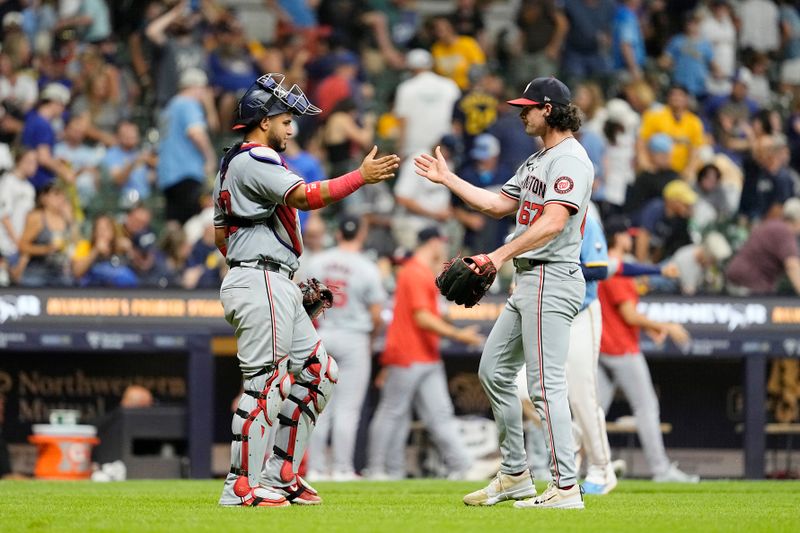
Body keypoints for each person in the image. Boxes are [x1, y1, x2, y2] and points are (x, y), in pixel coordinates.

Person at [215, 73, 399, 508]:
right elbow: (305, 197)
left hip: (268, 277)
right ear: (263, 121)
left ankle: (282, 475)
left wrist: (280, 276)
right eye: (284, 119)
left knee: (318, 374)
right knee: (266, 383)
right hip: (260, 279)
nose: (291, 127)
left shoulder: (237, 163)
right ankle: (240, 486)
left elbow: (222, 234)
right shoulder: (254, 157)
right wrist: (360, 176)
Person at [415, 76, 593, 509]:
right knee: (493, 371)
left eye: (528, 107)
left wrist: (498, 255)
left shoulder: (569, 159)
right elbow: (496, 205)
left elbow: (553, 222)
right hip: (530, 280)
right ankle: (515, 474)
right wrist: (448, 179)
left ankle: (566, 487)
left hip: (552, 275)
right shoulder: (538, 160)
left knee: (544, 385)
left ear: (548, 109)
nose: (521, 113)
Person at [366, 226, 484, 480]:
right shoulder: (414, 272)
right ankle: (377, 470)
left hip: (427, 354)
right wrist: (459, 335)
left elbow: (433, 315)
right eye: (442, 241)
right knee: (393, 412)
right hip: (407, 354)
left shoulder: (424, 273)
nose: (444, 247)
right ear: (433, 242)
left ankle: (461, 466)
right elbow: (422, 318)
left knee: (438, 414)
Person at [597, 217, 699, 483]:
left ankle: (569, 467)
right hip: (620, 348)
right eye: (626, 235)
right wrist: (664, 325)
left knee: (593, 411)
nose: (630, 238)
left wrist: (651, 328)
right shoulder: (614, 267)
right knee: (647, 407)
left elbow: (626, 315)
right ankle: (661, 470)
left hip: (604, 347)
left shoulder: (605, 265)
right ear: (618, 237)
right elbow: (629, 315)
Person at [306, 215, 387, 481]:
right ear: (360, 235)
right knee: (347, 409)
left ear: (338, 233)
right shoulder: (367, 267)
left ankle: (316, 469)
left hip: (323, 335)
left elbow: (302, 302)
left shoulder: (317, 261)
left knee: (319, 406)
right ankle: (341, 468)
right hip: (354, 337)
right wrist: (371, 340)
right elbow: (377, 314)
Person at [156, 67, 216, 224]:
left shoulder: (169, 108)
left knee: (175, 224)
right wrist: (210, 158)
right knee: (193, 223)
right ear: (197, 87)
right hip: (187, 173)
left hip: (167, 176)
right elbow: (196, 133)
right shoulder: (188, 104)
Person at [726, 198, 800, 296]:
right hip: (751, 283)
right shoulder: (784, 231)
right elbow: (792, 265)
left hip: (738, 278)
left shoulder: (773, 225)